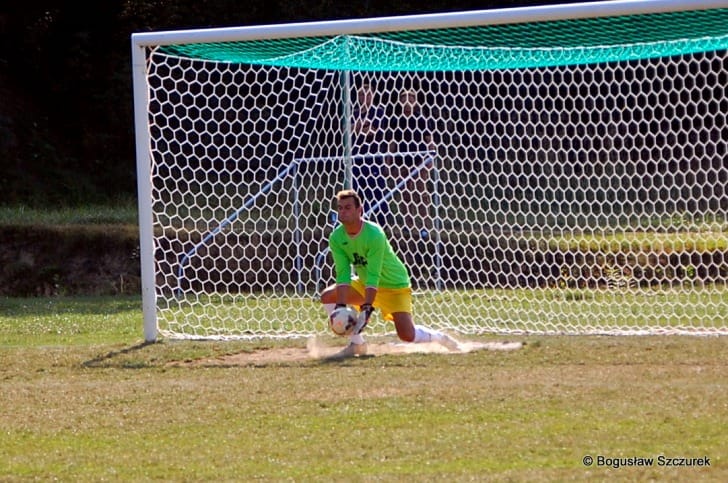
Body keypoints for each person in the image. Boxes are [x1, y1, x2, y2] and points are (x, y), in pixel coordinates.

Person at [320, 189, 461, 358]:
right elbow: (342, 274)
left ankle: (441, 339)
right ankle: (358, 344)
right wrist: (341, 307)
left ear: (360, 210)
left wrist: (367, 307)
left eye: (348, 207)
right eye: (340, 208)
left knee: (407, 335)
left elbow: (374, 274)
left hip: (394, 285)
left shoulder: (374, 234)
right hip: (366, 284)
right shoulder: (336, 237)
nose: (343, 211)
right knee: (328, 296)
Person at [385, 88, 437, 234]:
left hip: (419, 161)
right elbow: (392, 142)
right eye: (403, 98)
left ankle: (425, 225)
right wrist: (388, 162)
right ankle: (409, 225)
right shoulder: (396, 120)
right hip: (401, 161)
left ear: (415, 101)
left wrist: (430, 159)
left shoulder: (421, 119)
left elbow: (429, 139)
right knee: (405, 194)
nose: (407, 101)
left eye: (410, 97)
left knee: (421, 193)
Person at [351, 82, 390, 227]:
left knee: (377, 193)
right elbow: (347, 130)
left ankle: (383, 224)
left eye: (367, 94)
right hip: (356, 159)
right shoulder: (354, 113)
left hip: (373, 158)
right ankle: (357, 222)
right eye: (361, 94)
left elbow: (372, 131)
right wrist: (361, 125)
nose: (364, 97)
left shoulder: (378, 112)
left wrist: (359, 127)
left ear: (372, 96)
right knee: (355, 193)